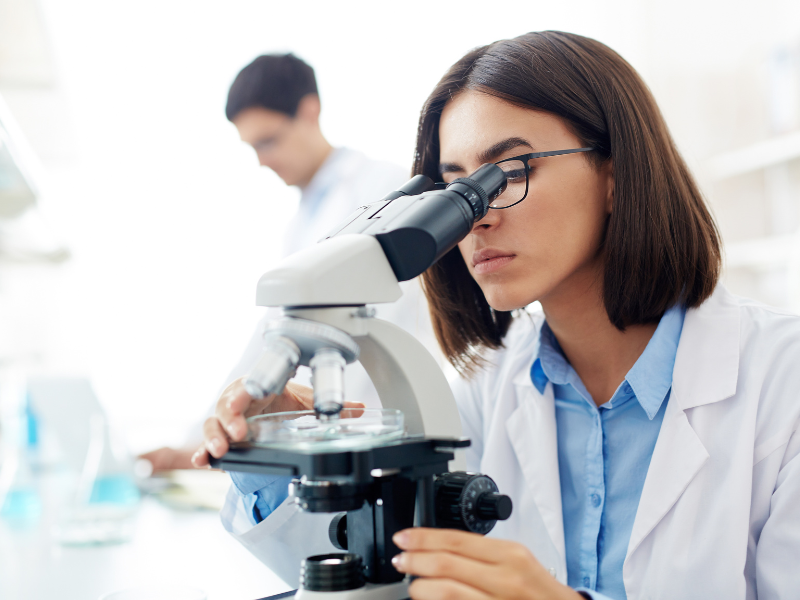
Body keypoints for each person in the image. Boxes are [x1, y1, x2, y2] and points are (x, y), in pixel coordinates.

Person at [195, 32, 800, 599]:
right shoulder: (489, 390)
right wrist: (268, 456)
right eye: (457, 190)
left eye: (507, 174)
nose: (476, 218)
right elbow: (377, 567)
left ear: (615, 174)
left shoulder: (782, 383)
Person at [140, 53, 434, 473]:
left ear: (309, 111)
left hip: (380, 428)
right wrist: (197, 442)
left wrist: (307, 432)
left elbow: (373, 328)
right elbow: (272, 338)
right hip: (338, 438)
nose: (261, 160)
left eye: (268, 140)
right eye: (252, 147)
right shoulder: (303, 220)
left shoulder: (383, 190)